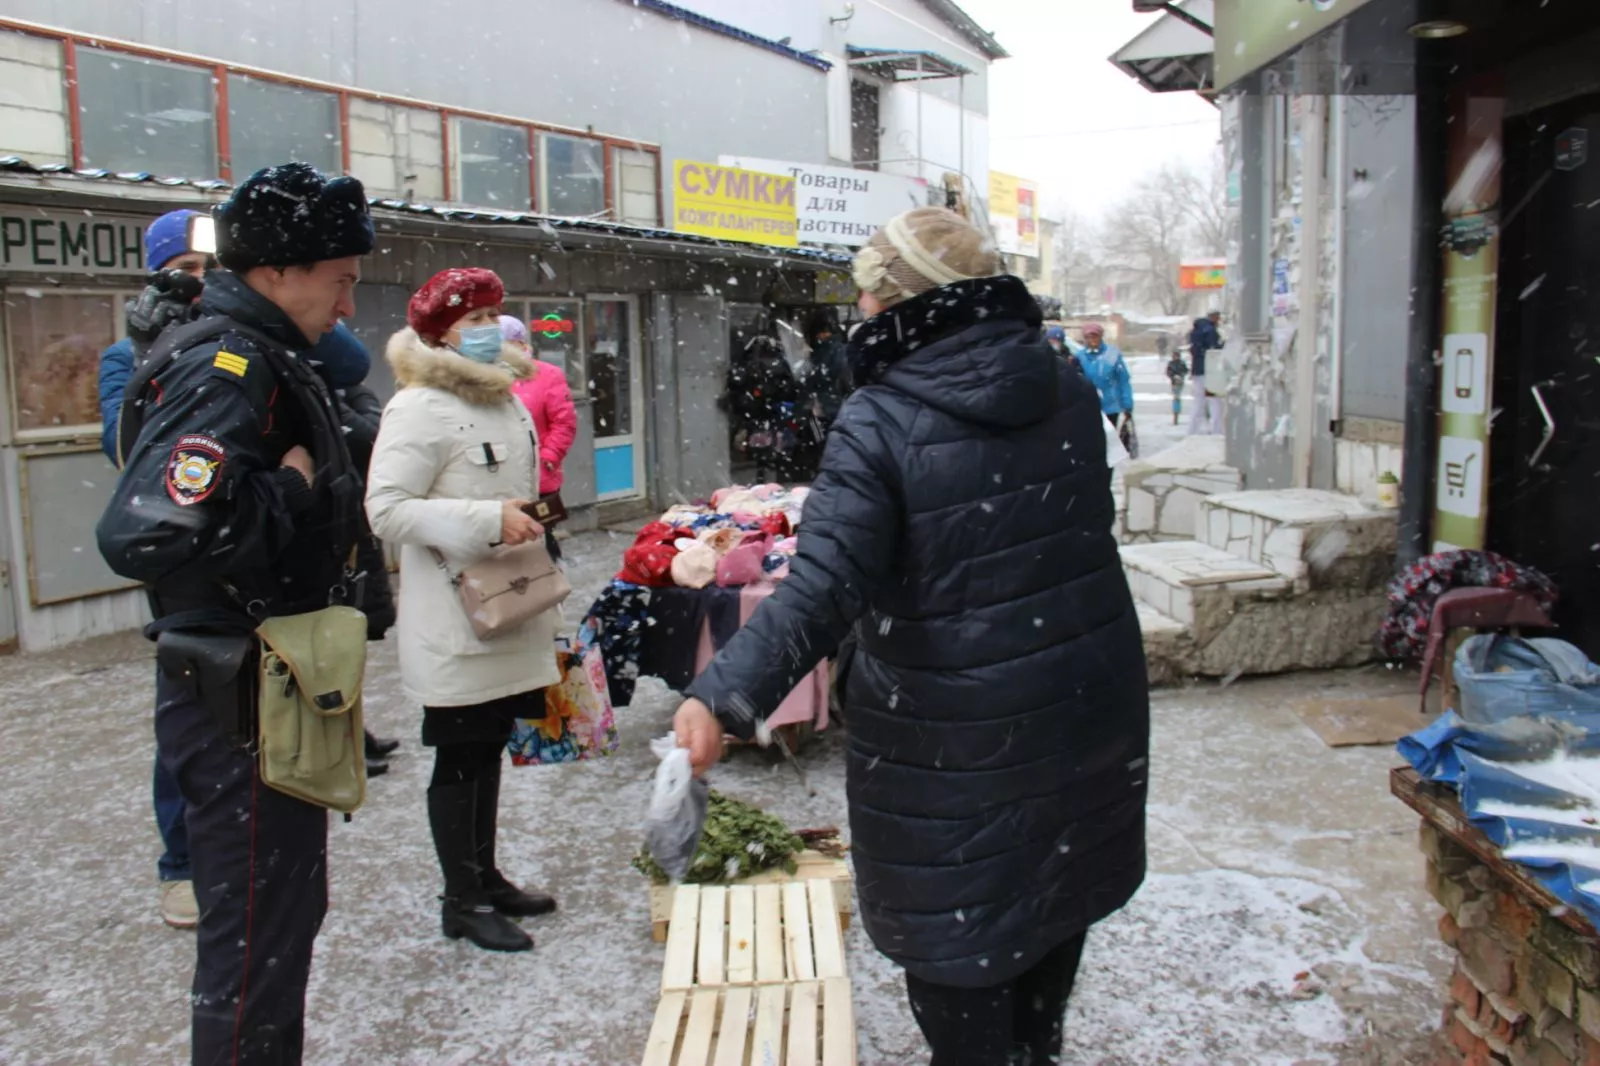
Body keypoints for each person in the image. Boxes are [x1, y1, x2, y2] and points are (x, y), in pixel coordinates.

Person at [672, 207, 1149, 1066]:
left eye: (866, 288)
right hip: (1082, 706)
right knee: (1048, 926)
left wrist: (722, 693)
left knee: (961, 956)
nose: (855, 304)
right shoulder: (1065, 384)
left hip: (952, 736)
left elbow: (821, 586)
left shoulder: (882, 417)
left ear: (899, 302)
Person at [96, 162, 374, 1064]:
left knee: (281, 916)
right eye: (340, 279)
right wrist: (291, 492)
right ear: (279, 271)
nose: (347, 302)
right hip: (235, 696)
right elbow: (148, 533)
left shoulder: (260, 352)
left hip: (266, 682)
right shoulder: (227, 365)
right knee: (255, 936)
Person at [366, 268, 562, 954]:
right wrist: (485, 517)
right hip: (455, 617)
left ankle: (486, 876)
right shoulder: (418, 405)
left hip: (509, 603)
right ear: (439, 332)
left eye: (492, 318)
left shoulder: (504, 396)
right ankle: (462, 898)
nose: (487, 332)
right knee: (458, 755)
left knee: (486, 750)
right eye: (472, 321)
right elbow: (386, 509)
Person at [94, 209, 210, 931]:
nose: (201, 286)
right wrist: (149, 352)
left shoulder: (238, 339)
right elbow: (122, 446)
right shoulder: (125, 354)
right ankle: (182, 864)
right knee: (187, 714)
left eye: (210, 273)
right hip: (175, 554)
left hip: (243, 549)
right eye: (187, 274)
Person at [504, 314, 578, 563]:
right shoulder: (485, 377)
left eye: (505, 343)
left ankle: (548, 589)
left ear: (519, 343)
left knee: (540, 540)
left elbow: (564, 423)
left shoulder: (546, 375)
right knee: (508, 545)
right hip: (501, 475)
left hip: (541, 478)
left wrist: (548, 457)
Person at [1079, 322, 1137, 457]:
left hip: (1110, 405)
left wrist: (1127, 404)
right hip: (1088, 405)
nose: (1091, 340)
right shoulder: (1079, 357)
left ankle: (1105, 464)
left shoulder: (1112, 355)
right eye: (1088, 337)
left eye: (1095, 336)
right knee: (1090, 439)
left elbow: (1123, 380)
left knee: (1108, 439)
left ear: (1101, 337)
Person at [1188, 309, 1226, 434]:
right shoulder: (1210, 331)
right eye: (1218, 317)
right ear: (1214, 317)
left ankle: (1192, 430)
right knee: (1215, 402)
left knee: (1198, 402)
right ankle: (1217, 430)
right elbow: (1214, 350)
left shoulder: (1196, 330)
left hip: (1197, 371)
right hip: (1210, 372)